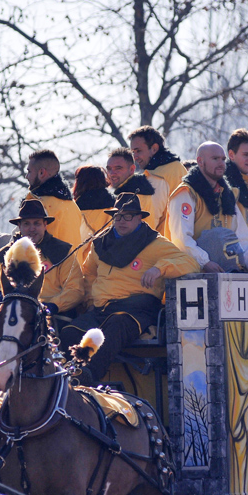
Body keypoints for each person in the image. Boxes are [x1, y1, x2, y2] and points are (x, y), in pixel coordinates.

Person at [65, 193, 199, 386]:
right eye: (117, 215)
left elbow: (189, 262)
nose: (121, 220)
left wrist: (159, 268)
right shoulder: (100, 244)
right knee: (70, 330)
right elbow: (89, 273)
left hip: (135, 310)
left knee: (115, 327)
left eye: (128, 216)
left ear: (139, 218)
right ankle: (65, 378)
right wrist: (90, 301)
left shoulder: (154, 243)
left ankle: (87, 376)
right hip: (102, 310)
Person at [165, 142, 248, 278]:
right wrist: (205, 262)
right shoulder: (185, 193)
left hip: (226, 273)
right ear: (200, 161)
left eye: (223, 159)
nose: (221, 163)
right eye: (215, 159)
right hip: (193, 276)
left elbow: (242, 237)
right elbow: (180, 240)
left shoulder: (227, 195)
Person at [0, 199, 85, 318]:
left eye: (37, 223)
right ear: (19, 226)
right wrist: (4, 298)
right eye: (27, 224)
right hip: (11, 316)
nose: (32, 229)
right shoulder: (4, 255)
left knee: (70, 335)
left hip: (52, 316)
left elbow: (75, 290)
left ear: (45, 225)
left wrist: (51, 306)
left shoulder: (62, 252)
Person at [25, 149, 86, 248]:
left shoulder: (36, 203)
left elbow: (24, 242)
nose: (26, 176)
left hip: (46, 263)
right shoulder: (73, 205)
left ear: (41, 173)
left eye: (29, 171)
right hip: (74, 262)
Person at [129, 125, 187, 228]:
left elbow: (149, 223)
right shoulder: (180, 168)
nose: (135, 157)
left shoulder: (155, 177)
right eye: (133, 152)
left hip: (162, 242)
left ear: (154, 149)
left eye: (138, 151)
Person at [105, 147, 162, 232]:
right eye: (109, 169)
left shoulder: (134, 196)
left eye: (118, 168)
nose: (112, 173)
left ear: (132, 169)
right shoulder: (138, 191)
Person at [73, 164, 117, 244]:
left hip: (86, 255)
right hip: (112, 253)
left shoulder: (76, 209)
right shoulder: (116, 205)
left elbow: (79, 244)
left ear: (80, 182)